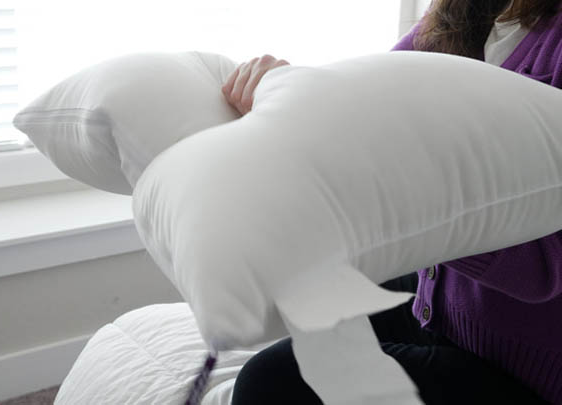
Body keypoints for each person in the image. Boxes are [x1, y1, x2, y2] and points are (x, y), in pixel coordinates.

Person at [223, 1, 562, 404]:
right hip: (446, 308)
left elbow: (546, 265)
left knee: (272, 382)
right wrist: (285, 88)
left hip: (525, 367)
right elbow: (363, 96)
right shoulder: (466, 15)